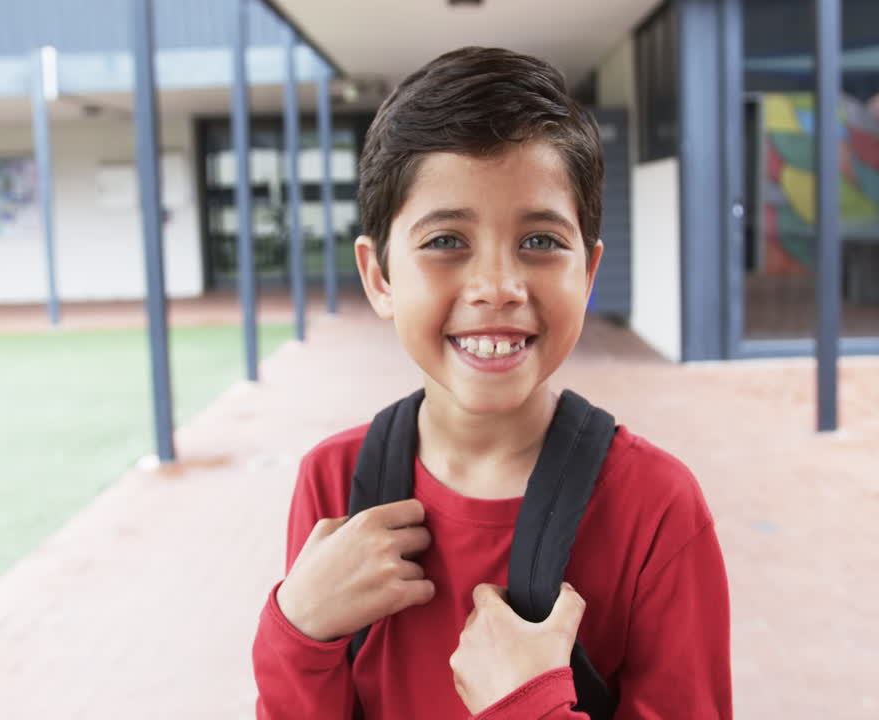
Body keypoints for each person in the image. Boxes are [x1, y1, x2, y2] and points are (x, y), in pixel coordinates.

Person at [252, 46, 732, 719]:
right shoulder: (337, 485)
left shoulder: (655, 509)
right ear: (379, 277)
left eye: (540, 241)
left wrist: (526, 707)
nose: (497, 288)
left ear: (588, 275)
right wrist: (297, 629)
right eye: (446, 240)